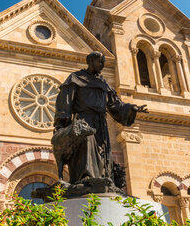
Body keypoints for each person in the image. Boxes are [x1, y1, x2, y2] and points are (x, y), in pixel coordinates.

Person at [54, 51, 148, 185]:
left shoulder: (103, 82)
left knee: (103, 152)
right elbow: (65, 100)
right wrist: (61, 123)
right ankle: (85, 177)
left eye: (103, 62)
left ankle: (102, 178)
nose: (102, 65)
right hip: (84, 120)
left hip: (101, 123)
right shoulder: (76, 77)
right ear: (90, 61)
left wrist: (132, 108)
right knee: (86, 145)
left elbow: (115, 104)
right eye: (100, 61)